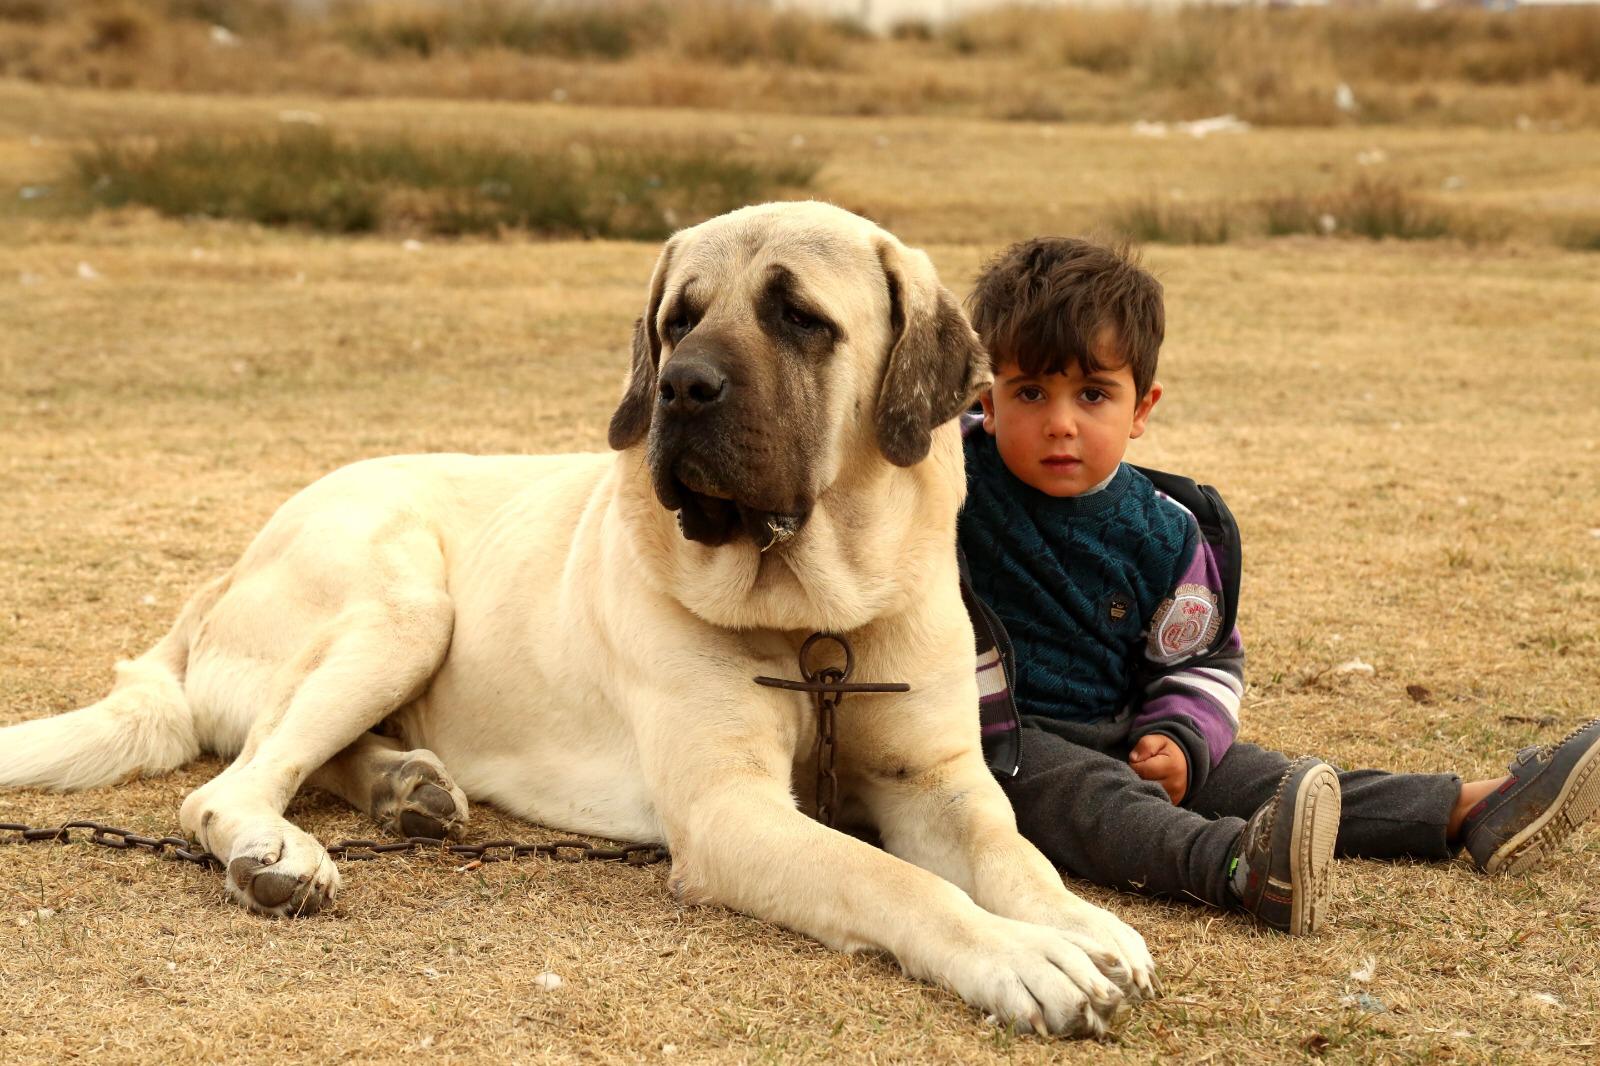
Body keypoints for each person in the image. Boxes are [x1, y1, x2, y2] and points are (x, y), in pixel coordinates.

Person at [956, 236, 1600, 935]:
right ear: (986, 400)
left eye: (1093, 394)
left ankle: (1469, 809)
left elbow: (1201, 661)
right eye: (1030, 393)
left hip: (1127, 729)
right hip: (995, 741)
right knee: (1088, 797)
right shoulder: (949, 477)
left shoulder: (1168, 534)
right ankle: (1242, 868)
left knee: (1266, 778)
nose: (1060, 423)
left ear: (1142, 408)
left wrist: (1178, 738)